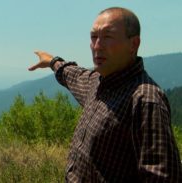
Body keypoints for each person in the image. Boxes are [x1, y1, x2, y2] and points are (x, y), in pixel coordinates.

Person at [28, 7, 182, 182]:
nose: (97, 46)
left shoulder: (145, 99)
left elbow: (162, 177)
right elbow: (73, 75)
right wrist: (52, 61)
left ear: (134, 44)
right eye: (94, 37)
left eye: (108, 37)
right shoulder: (97, 82)